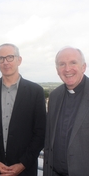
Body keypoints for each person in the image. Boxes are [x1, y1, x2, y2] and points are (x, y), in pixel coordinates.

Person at [0, 43, 46, 176]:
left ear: (19, 60)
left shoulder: (36, 91)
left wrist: (22, 164)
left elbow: (40, 132)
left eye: (10, 57)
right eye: (1, 59)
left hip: (25, 170)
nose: (5, 62)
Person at [43, 47, 89, 176]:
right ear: (57, 70)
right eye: (62, 64)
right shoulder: (55, 96)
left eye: (73, 63)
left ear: (83, 67)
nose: (67, 69)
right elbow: (48, 140)